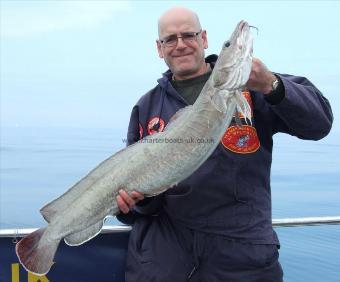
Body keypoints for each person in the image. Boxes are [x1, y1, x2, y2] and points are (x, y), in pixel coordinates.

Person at [115, 6, 333, 282]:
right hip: (166, 263)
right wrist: (139, 202)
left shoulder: (255, 87)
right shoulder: (146, 107)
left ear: (204, 39)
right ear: (160, 49)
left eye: (188, 35)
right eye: (170, 39)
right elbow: (135, 209)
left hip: (242, 262)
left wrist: (272, 85)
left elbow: (319, 124)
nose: (180, 45)